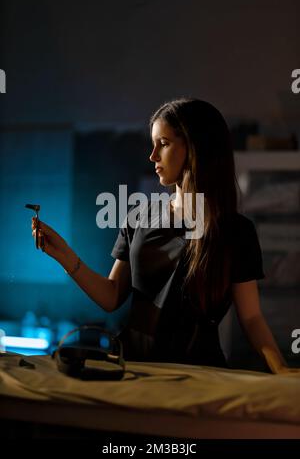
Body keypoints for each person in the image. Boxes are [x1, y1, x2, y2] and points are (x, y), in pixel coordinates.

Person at [31, 98, 297, 374]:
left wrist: (281, 368)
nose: (153, 155)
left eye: (164, 143)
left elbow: (252, 318)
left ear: (195, 148)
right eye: (153, 144)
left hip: (201, 376)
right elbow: (112, 297)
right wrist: (63, 255)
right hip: (134, 370)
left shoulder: (236, 231)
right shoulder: (138, 217)